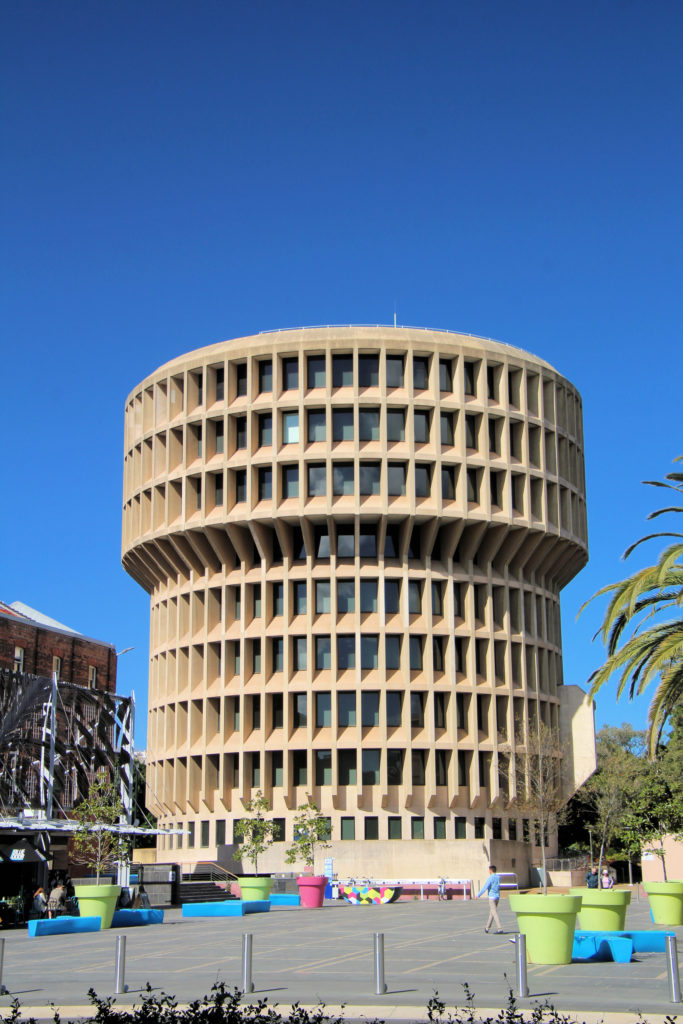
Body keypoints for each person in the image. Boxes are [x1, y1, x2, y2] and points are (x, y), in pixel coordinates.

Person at [477, 864, 503, 934]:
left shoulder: (490, 878)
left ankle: (499, 928)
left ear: (491, 870)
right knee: (492, 912)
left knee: (494, 913)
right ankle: (487, 927)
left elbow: (485, 887)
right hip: (497, 896)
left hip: (491, 897)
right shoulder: (498, 877)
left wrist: (478, 895)